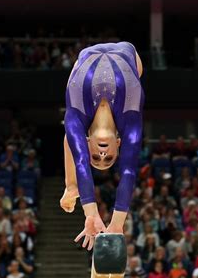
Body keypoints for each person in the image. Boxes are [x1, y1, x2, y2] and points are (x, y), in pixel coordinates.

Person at [60, 41, 144, 249]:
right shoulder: (130, 118)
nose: (103, 154)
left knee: (71, 135)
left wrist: (91, 215)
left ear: (88, 144)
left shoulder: (77, 115)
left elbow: (81, 161)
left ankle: (71, 186)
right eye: (108, 158)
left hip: (86, 59)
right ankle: (71, 187)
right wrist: (116, 223)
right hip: (128, 53)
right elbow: (128, 171)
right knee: (71, 137)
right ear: (118, 143)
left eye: (96, 158)